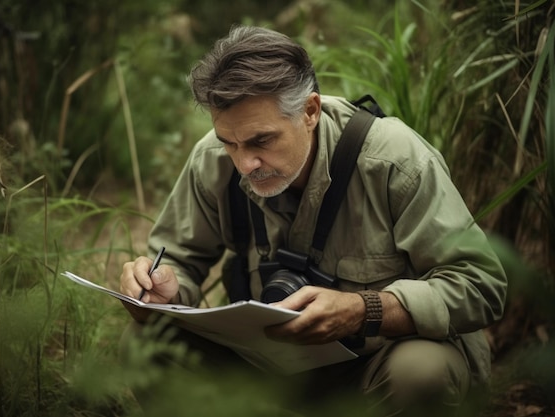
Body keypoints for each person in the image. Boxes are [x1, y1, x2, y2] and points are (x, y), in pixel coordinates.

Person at [119, 25, 507, 416]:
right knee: (144, 342)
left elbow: (481, 284)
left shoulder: (394, 161)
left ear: (310, 111)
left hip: (377, 369)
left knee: (424, 373)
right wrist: (164, 288)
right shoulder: (213, 161)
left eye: (260, 141)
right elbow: (178, 263)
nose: (243, 163)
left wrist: (365, 309)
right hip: (268, 371)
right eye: (229, 143)